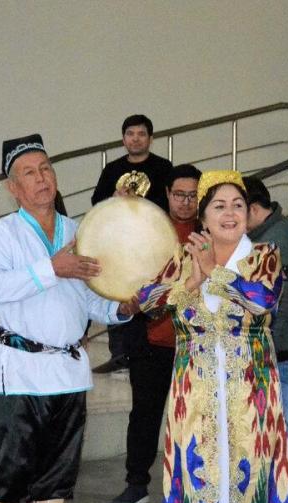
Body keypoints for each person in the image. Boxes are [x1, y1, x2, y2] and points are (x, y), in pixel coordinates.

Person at [0, 134, 137, 503]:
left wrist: (124, 309)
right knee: (7, 470)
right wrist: (52, 268)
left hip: (67, 372)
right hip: (19, 371)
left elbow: (90, 299)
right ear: (12, 187)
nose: (41, 178)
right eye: (29, 172)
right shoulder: (4, 233)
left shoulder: (76, 230)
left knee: (58, 474)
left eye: (46, 168)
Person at [137, 171, 288, 503]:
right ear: (203, 217)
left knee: (255, 478)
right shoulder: (183, 255)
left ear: (249, 215)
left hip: (252, 390)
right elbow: (146, 301)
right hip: (196, 389)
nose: (230, 213)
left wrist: (217, 275)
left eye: (237, 205)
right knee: (199, 479)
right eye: (219, 206)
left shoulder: (265, 255)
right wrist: (191, 281)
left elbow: (264, 301)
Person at [109, 164, 202, 503]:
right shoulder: (148, 228)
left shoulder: (209, 232)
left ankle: (192, 485)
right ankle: (136, 483)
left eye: (193, 195)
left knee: (194, 418)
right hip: (150, 340)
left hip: (194, 343)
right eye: (179, 194)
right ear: (167, 194)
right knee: (145, 415)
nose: (186, 202)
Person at [242, 175, 288, 468]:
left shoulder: (278, 238)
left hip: (284, 346)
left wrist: (268, 345)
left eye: (237, 207)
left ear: (253, 207)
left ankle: (281, 491)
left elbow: (279, 300)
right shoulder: (268, 233)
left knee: (277, 421)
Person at [91, 114, 174, 374]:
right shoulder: (112, 168)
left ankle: (146, 349)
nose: (135, 138)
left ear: (150, 138)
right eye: (130, 134)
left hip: (151, 246)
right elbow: (98, 203)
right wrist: (115, 199)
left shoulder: (163, 167)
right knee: (116, 294)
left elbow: (169, 206)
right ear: (123, 138)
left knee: (146, 297)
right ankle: (118, 353)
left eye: (140, 134)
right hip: (117, 246)